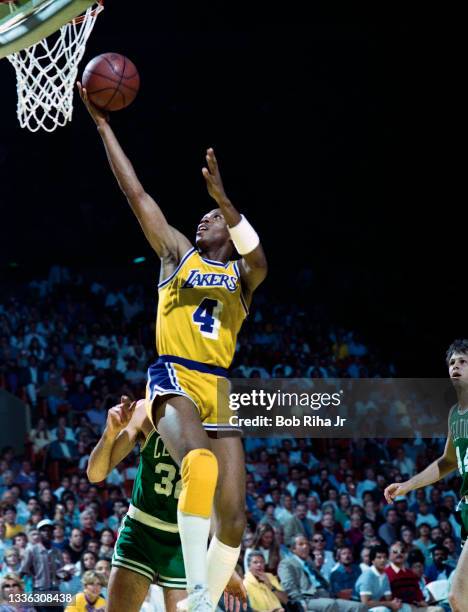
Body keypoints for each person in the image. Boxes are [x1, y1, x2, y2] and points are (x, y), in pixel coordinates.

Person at [78, 80, 267, 612]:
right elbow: (137, 195)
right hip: (176, 374)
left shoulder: (243, 276)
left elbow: (261, 263)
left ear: (228, 232)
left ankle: (200, 591)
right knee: (200, 467)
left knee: (233, 518)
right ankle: (200, 599)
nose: (201, 218)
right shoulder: (177, 254)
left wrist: (226, 202)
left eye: (211, 219)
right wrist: (104, 126)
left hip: (220, 385)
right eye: (204, 216)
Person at [87, 398, 247, 612]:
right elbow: (95, 474)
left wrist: (224, 565)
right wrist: (109, 433)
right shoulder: (145, 411)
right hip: (140, 531)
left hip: (183, 542)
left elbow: (210, 502)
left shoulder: (214, 422)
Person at [384, 340, 468, 612]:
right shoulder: (455, 414)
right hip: (465, 508)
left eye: (463, 361)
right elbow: (447, 462)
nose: (456, 366)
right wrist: (408, 485)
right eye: (452, 362)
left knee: (457, 596)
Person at [277, 535, 366, 612]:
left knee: (359, 607)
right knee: (330, 604)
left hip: (325, 595)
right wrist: (299, 602)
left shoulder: (310, 562)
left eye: (307, 544)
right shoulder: (287, 563)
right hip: (308, 598)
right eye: (301, 544)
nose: (305, 547)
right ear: (293, 549)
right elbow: (288, 586)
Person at [355, 545, 403, 612]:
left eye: (385, 557)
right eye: (379, 557)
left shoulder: (385, 575)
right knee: (383, 610)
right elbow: (365, 603)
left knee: (404, 608)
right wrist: (389, 604)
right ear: (373, 560)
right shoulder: (367, 576)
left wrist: (395, 603)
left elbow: (388, 599)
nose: (383, 560)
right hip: (359, 608)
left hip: (375, 607)